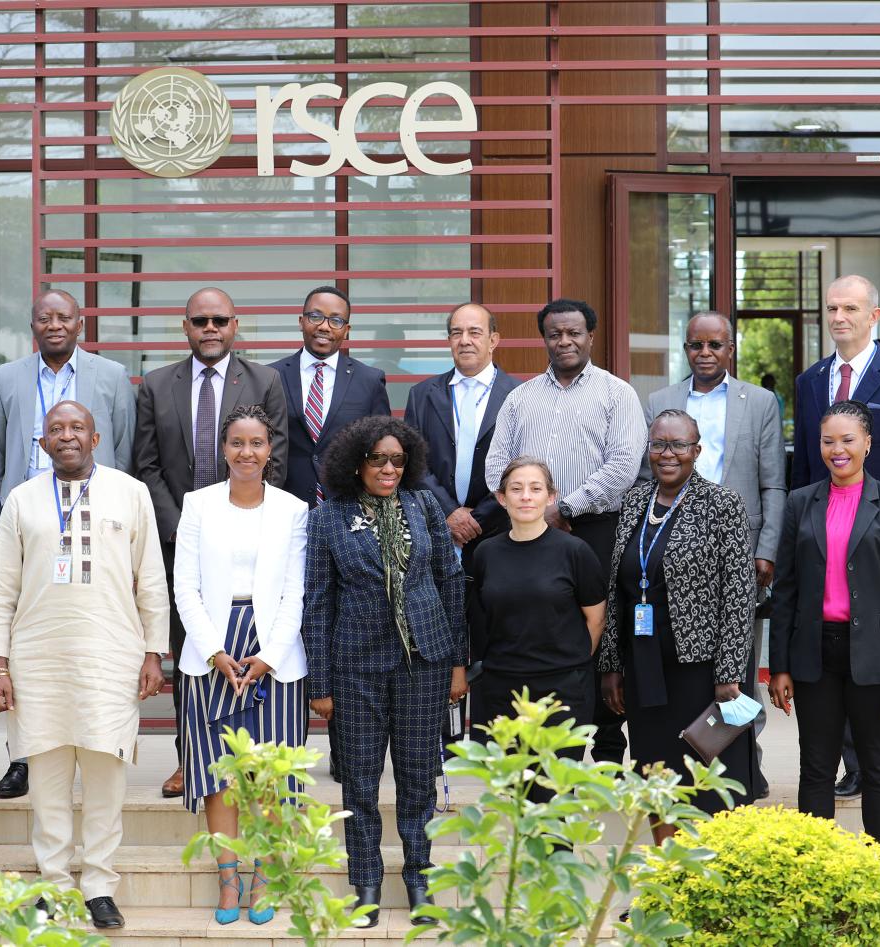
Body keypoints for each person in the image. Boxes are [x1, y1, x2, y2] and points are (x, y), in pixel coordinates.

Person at [0, 401, 169, 931]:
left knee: (106, 781)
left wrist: (154, 652)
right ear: (42, 443)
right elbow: (0, 587)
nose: (67, 436)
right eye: (56, 429)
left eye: (77, 428)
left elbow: (152, 579)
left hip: (111, 658)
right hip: (38, 661)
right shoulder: (21, 499)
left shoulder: (131, 493)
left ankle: (100, 886)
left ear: (96, 438)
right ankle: (54, 885)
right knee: (47, 783)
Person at [304, 416, 466, 927]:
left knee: (418, 779)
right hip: (356, 667)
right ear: (357, 463)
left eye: (398, 459)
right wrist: (320, 682)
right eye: (378, 459)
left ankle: (420, 880)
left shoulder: (424, 505)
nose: (389, 468)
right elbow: (318, 602)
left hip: (424, 662)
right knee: (359, 782)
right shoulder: (329, 517)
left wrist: (457, 662)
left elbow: (450, 580)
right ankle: (367, 885)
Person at [133, 287, 288, 800]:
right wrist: (181, 527)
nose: (210, 328)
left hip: (248, 540)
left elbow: (274, 462)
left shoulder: (265, 381)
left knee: (251, 647)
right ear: (186, 327)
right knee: (193, 652)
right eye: (200, 321)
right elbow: (146, 465)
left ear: (234, 324)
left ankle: (253, 755)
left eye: (219, 320)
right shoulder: (157, 385)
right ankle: (189, 758)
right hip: (179, 539)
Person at [0, 287, 137, 800]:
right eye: (44, 318)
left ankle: (96, 746)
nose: (54, 325)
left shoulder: (111, 376)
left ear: (79, 323)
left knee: (86, 643)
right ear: (33, 325)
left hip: (92, 519)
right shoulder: (5, 378)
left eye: (63, 317)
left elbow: (123, 446)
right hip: (31, 525)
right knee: (27, 642)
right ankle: (22, 757)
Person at [790, 274, 880, 804]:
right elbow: (805, 468)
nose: (839, 317)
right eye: (832, 308)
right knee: (839, 650)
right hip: (825, 535)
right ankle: (852, 766)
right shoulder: (811, 381)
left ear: (874, 316)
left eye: (850, 308)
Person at [768, 400, 880, 868]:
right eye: (828, 441)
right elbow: (786, 589)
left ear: (868, 443)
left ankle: (878, 869)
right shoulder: (801, 502)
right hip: (814, 653)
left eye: (847, 440)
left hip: (876, 656)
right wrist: (779, 666)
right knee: (816, 767)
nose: (837, 450)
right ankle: (817, 870)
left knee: (879, 768)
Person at [485, 298, 644, 764]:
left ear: (591, 336)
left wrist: (566, 506)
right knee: (544, 626)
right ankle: (538, 744)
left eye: (574, 332)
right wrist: (538, 510)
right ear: (545, 339)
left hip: (595, 528)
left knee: (603, 631)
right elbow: (496, 465)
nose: (564, 341)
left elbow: (624, 464)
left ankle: (608, 752)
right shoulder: (521, 398)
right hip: (531, 533)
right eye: (555, 334)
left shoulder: (617, 394)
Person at [173, 405, 309, 926]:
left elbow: (296, 592)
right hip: (211, 647)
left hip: (274, 651)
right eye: (236, 442)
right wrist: (213, 650)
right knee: (220, 773)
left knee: (271, 774)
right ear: (223, 449)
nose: (246, 452)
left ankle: (266, 876)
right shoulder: (198, 504)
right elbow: (184, 586)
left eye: (256, 443)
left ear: (270, 449)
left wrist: (269, 656)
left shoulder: (293, 509)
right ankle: (229, 878)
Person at [645, 311, 785, 798]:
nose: (705, 353)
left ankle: (746, 759)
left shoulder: (760, 401)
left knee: (738, 659)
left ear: (731, 349)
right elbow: (648, 477)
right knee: (682, 662)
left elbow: (773, 482)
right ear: (685, 348)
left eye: (715, 345)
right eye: (696, 345)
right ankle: (684, 760)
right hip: (674, 551)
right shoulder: (660, 401)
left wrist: (766, 548)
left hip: (740, 549)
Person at [598, 409, 756, 838]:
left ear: (696, 451)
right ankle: (666, 869)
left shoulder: (722, 504)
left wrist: (729, 673)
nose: (667, 454)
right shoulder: (635, 501)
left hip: (701, 672)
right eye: (658, 445)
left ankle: (708, 870)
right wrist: (611, 664)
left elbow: (739, 594)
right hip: (644, 666)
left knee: (705, 774)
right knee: (656, 773)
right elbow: (617, 588)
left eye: (678, 445)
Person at [468, 457, 605, 802]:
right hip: (504, 691)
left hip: (562, 692)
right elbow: (483, 617)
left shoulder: (575, 551)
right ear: (502, 499)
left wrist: (568, 661)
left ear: (550, 497)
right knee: (517, 799)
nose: (526, 496)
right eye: (516, 489)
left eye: (535, 488)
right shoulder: (486, 553)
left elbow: (596, 619)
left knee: (554, 797)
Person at [405, 302, 520, 561]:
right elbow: (414, 462)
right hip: (436, 531)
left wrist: (477, 518)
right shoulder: (422, 395)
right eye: (457, 333)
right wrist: (449, 512)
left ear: (493, 340)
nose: (465, 340)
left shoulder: (519, 395)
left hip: (499, 531)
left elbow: (522, 463)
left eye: (474, 332)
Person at [271, 285, 391, 506]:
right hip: (283, 504)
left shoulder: (370, 380)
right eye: (316, 316)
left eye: (336, 320)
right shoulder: (271, 376)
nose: (324, 327)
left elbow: (381, 450)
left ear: (346, 330)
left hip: (349, 507)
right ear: (301, 321)